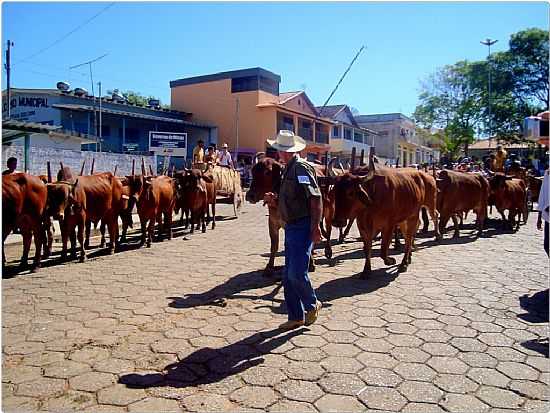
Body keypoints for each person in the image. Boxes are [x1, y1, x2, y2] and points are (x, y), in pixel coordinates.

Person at [263, 130, 323, 330]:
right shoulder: (287, 169)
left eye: (280, 149)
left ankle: (312, 303)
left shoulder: (301, 168)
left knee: (296, 273)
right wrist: (275, 200)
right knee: (288, 275)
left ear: (286, 151)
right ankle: (296, 316)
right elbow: (292, 198)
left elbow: (315, 198)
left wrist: (315, 227)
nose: (278, 153)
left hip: (302, 226)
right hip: (290, 226)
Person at [537, 169, 549, 256]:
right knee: (547, 245)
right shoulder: (547, 174)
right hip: (548, 212)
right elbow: (542, 195)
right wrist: (539, 217)